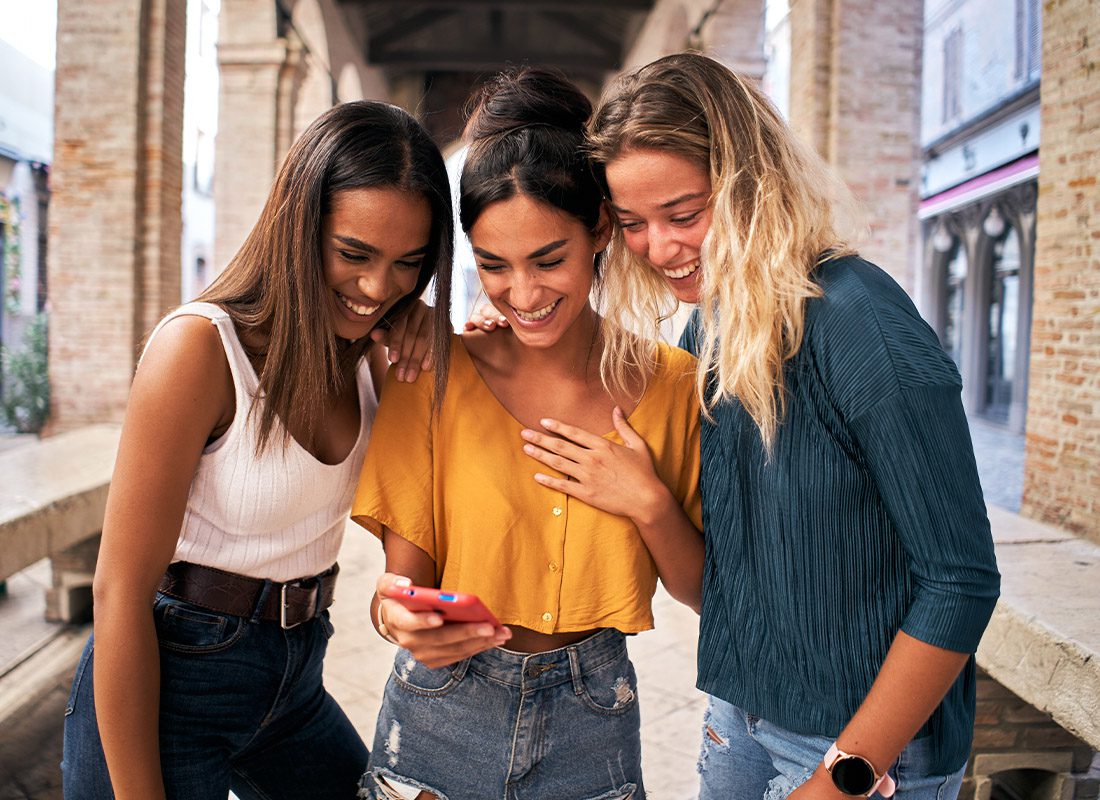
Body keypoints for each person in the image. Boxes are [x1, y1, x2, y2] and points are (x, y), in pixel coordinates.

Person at [520, 52, 1001, 800]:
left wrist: (844, 775)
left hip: (864, 755)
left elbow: (962, 581)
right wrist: (648, 500)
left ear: (755, 182)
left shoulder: (861, 324)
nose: (660, 247)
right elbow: (717, 590)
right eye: (633, 224)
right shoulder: (708, 331)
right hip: (735, 723)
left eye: (684, 214)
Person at [60, 100, 454, 800]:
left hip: (294, 679)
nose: (375, 287)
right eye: (353, 253)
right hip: (169, 684)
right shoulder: (200, 349)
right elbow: (118, 590)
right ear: (298, 227)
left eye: (407, 264)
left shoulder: (374, 349)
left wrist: (427, 322)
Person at [350, 67, 704, 800]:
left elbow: (703, 591)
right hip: (439, 709)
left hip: (595, 716)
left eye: (549, 260)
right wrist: (395, 615)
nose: (523, 295)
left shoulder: (674, 385)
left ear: (601, 229)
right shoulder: (432, 374)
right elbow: (399, 583)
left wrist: (648, 502)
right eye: (493, 267)